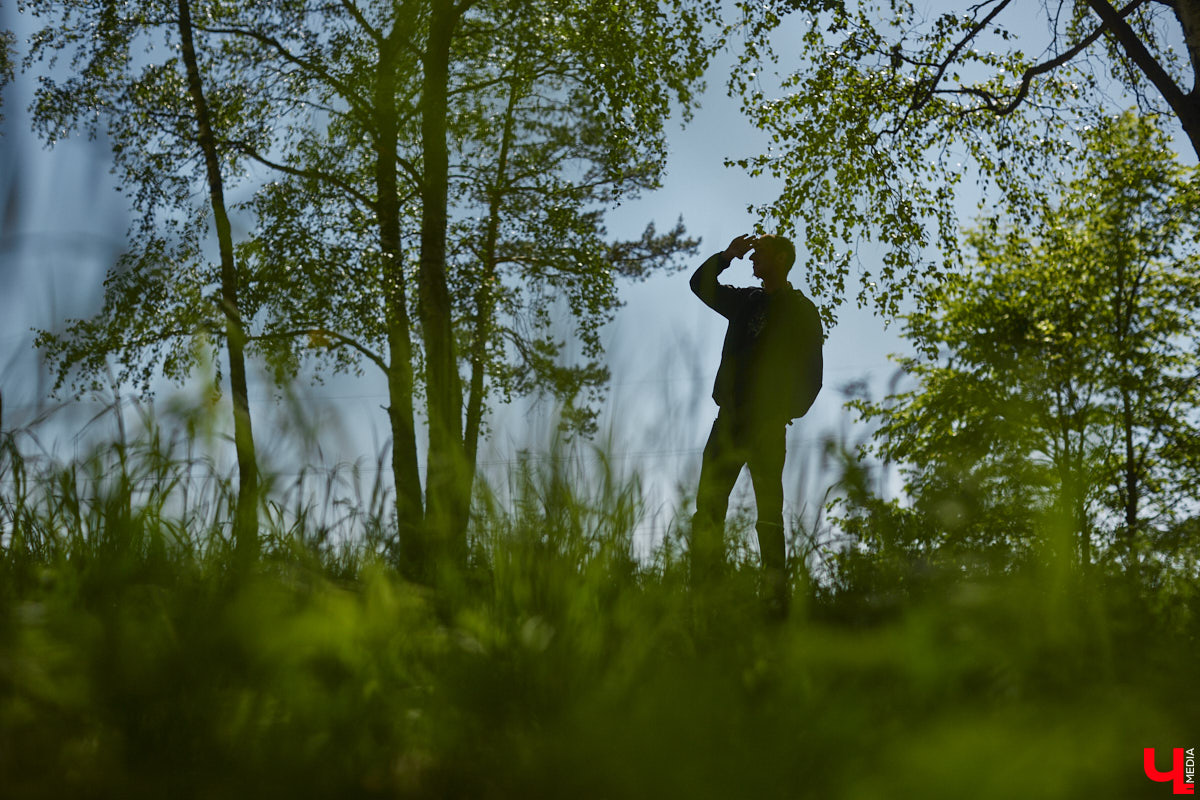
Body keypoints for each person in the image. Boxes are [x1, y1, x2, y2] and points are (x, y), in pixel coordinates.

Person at [689, 233, 823, 616]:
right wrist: (726, 256)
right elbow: (700, 285)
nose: (752, 258)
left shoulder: (801, 311)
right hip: (728, 423)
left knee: (768, 515)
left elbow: (813, 373)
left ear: (780, 258)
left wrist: (784, 412)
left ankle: (774, 601)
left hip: (768, 427)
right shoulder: (746, 301)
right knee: (709, 508)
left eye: (758, 252)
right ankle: (702, 596)